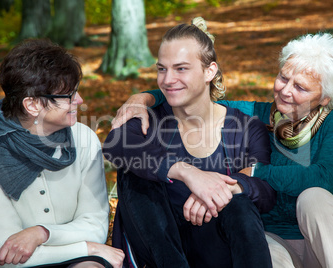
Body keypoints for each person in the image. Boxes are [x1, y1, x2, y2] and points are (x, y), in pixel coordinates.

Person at [111, 32, 333, 267]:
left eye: (301, 87)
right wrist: (143, 98)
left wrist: (253, 174)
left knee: (312, 197)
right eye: (283, 77)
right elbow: (195, 94)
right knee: (264, 252)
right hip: (278, 238)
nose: (285, 90)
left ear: (324, 99)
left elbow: (323, 177)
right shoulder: (258, 114)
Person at [103, 17, 275, 268]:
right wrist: (187, 172)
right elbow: (115, 144)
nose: (167, 79)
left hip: (215, 246)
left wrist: (220, 190)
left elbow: (267, 191)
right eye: (162, 69)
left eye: (181, 68)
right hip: (159, 252)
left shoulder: (246, 128)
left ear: (210, 71)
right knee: (135, 169)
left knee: (239, 203)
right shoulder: (148, 121)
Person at [0, 39, 124, 268]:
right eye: (69, 95)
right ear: (32, 105)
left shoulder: (84, 139)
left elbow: (95, 224)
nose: (80, 100)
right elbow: (5, 252)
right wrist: (87, 248)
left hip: (75, 260)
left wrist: (42, 233)